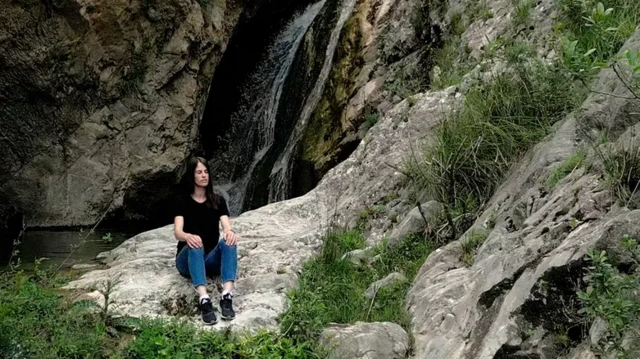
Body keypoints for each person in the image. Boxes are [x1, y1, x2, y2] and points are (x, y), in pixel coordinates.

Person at [173, 156, 239, 325]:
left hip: (209, 259)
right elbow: (178, 232)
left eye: (206, 172)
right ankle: (204, 299)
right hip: (187, 259)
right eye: (199, 172)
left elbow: (226, 225)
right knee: (196, 242)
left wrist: (229, 232)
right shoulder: (181, 201)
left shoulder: (218, 200)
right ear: (192, 176)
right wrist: (188, 237)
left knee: (229, 242)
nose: (204, 175)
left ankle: (227, 296)